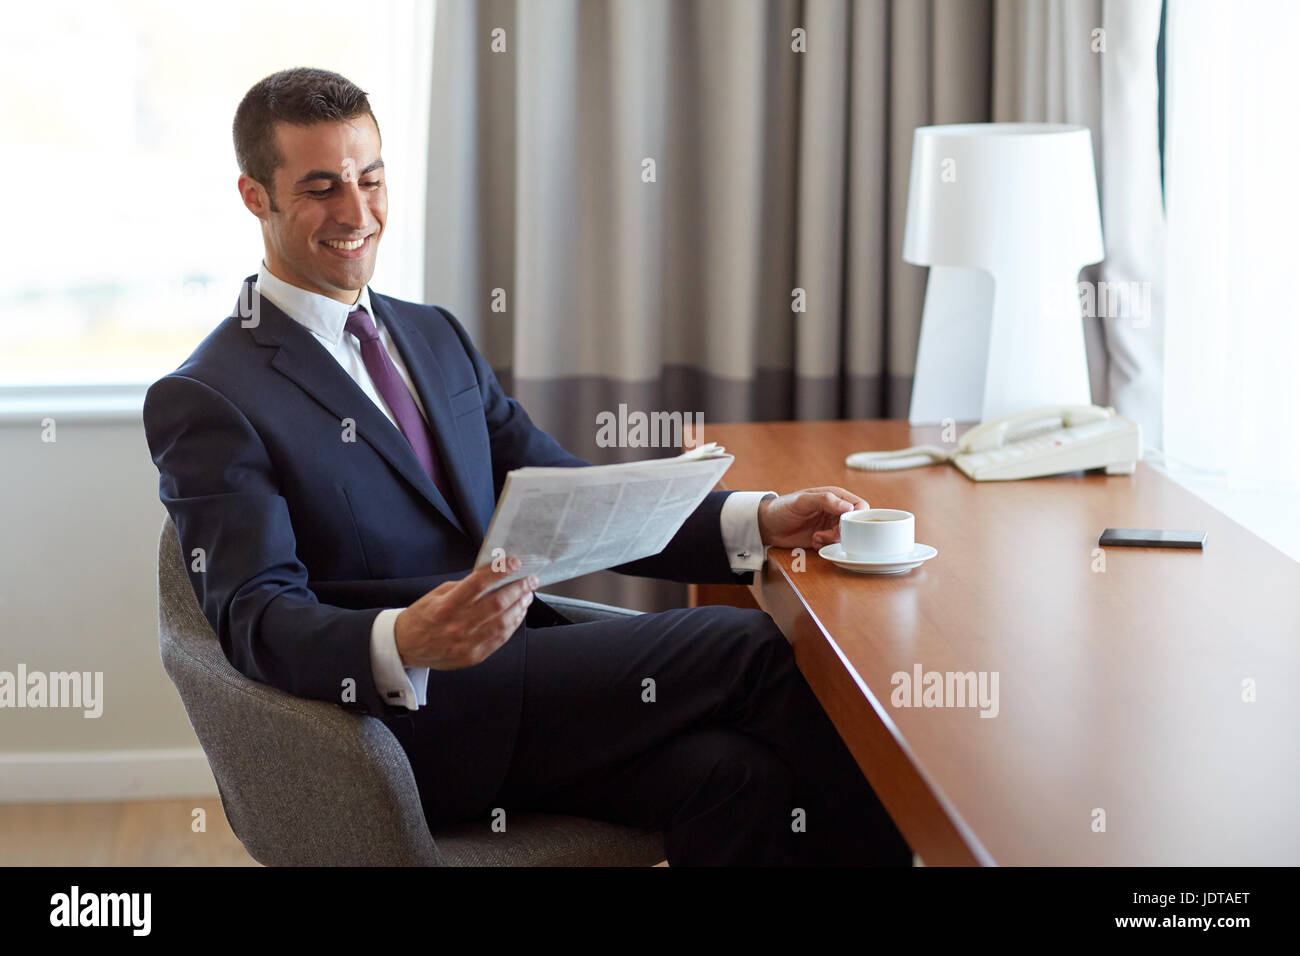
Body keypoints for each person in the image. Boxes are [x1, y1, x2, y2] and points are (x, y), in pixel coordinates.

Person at [143, 67, 911, 866]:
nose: (357, 212)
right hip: (406, 732)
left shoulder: (430, 333)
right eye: (321, 187)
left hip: (531, 691)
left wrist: (755, 519)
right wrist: (406, 637)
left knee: (737, 778)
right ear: (254, 196)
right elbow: (255, 617)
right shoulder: (208, 395)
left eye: (371, 179)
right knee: (747, 649)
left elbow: (573, 496)